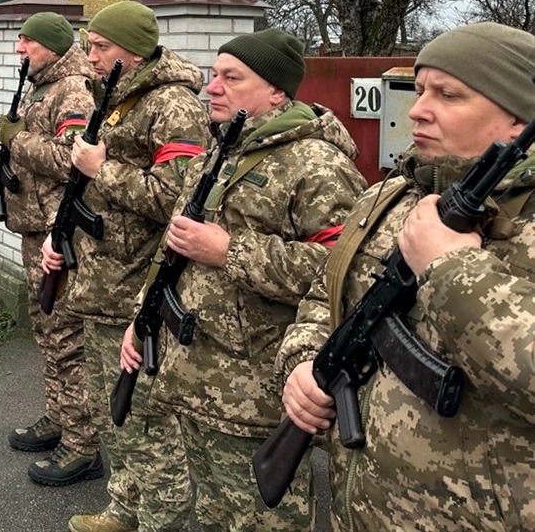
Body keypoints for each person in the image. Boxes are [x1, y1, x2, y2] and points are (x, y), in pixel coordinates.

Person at [277, 22, 535, 531]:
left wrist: (450, 268)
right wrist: (304, 361)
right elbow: (325, 295)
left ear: (517, 118)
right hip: (360, 507)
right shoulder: (389, 196)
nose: (417, 110)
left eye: (448, 94)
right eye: (419, 91)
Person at [119, 28, 366, 530]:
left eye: (232, 78)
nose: (213, 87)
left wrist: (230, 251)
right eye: (214, 75)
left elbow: (344, 271)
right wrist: (142, 316)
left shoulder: (316, 163)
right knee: (213, 516)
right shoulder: (221, 150)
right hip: (194, 379)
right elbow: (174, 247)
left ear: (276, 90)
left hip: (254, 395)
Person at [40, 1, 209, 531]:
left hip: (136, 284)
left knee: (146, 421)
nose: (90, 56)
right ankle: (125, 507)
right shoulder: (113, 96)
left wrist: (103, 168)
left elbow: (179, 198)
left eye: (101, 47)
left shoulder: (173, 106)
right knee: (111, 412)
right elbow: (85, 190)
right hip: (99, 281)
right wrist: (59, 237)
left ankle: (160, 519)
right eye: (88, 45)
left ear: (133, 52)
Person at [0, 12, 101, 486]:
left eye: (27, 41)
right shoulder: (41, 85)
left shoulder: (73, 90)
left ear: (51, 45)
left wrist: (18, 139)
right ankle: (58, 416)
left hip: (60, 235)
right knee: (48, 334)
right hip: (36, 230)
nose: (19, 48)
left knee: (66, 339)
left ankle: (83, 443)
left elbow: (72, 160)